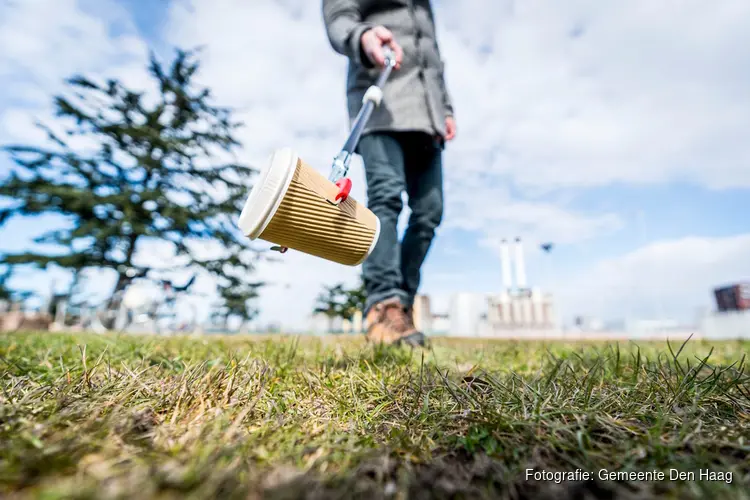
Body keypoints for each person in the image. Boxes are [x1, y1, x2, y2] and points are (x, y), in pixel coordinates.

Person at [323, 0, 456, 346]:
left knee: (429, 212)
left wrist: (446, 108)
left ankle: (403, 305)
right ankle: (383, 304)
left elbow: (432, 56)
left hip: (427, 114)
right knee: (386, 197)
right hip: (382, 102)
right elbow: (339, 17)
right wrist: (362, 35)